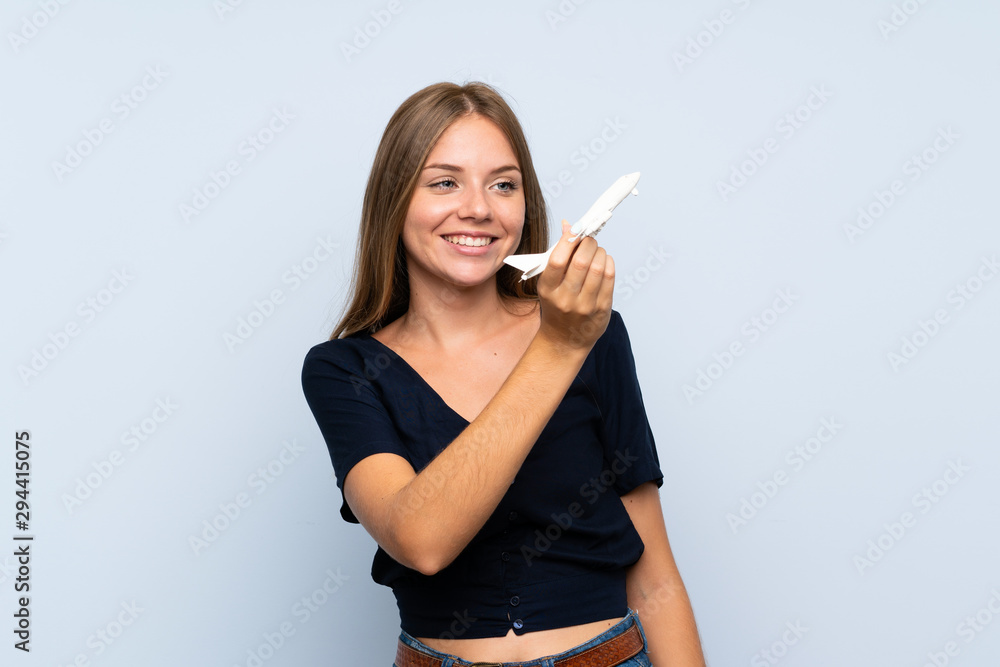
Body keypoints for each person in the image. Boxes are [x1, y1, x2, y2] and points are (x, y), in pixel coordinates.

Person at [301, 81, 706, 666]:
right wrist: (557, 348)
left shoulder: (598, 335)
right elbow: (422, 541)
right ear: (396, 199)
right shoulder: (345, 370)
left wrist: (571, 338)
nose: (479, 208)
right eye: (445, 182)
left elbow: (656, 577)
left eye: (503, 185)